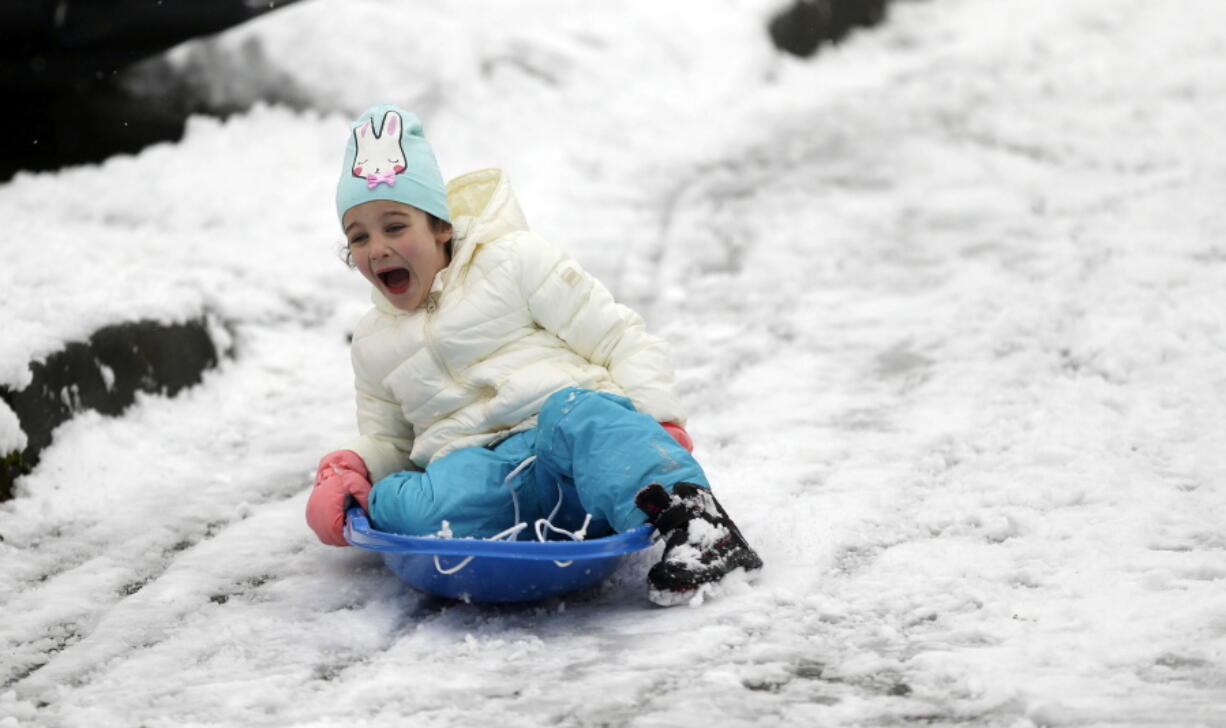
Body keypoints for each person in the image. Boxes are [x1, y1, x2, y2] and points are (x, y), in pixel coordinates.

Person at [305, 104, 761, 606]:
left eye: (395, 227)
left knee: (579, 411)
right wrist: (353, 471)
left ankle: (701, 528)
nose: (377, 248)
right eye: (359, 237)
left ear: (441, 226)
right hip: (484, 482)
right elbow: (391, 438)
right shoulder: (373, 341)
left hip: (565, 451)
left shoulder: (514, 262)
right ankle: (454, 519)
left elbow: (618, 338)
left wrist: (654, 422)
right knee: (402, 502)